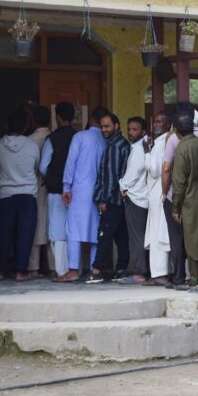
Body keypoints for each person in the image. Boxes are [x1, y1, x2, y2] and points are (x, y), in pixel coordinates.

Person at [162, 101, 198, 288]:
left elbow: (167, 169)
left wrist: (165, 194)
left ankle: (180, 277)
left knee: (178, 240)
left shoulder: (176, 141)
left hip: (180, 197)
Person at [0, 110, 41, 282]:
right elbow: (36, 168)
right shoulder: (32, 145)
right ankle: (20, 271)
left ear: (7, 126)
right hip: (27, 195)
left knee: (3, 233)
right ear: (26, 126)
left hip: (5, 195)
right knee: (25, 234)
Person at [62, 106, 109, 282]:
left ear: (90, 119)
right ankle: (93, 270)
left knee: (74, 230)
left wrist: (66, 187)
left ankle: (73, 270)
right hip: (100, 193)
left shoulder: (80, 137)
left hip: (80, 191)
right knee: (96, 231)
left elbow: (71, 163)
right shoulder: (106, 140)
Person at [84, 113, 130, 284]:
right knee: (121, 236)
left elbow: (111, 178)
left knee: (104, 235)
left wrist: (103, 199)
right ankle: (121, 269)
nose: (104, 130)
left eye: (107, 126)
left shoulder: (115, 147)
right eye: (102, 126)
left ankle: (96, 271)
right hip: (120, 199)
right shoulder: (119, 144)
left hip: (112, 200)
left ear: (116, 126)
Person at [40, 102, 76, 282]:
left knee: (57, 231)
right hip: (77, 192)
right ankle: (74, 267)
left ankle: (62, 270)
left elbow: (43, 166)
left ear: (58, 118)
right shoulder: (79, 137)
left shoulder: (52, 139)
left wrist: (55, 177)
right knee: (74, 230)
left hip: (56, 190)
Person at [117, 117, 150, 285]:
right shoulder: (144, 147)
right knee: (143, 237)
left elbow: (133, 173)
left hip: (136, 198)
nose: (130, 133)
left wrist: (122, 186)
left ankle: (139, 273)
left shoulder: (138, 149)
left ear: (143, 131)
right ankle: (144, 270)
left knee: (137, 238)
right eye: (129, 129)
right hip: (143, 197)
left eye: (135, 129)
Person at [143, 112, 171, 285]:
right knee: (159, 232)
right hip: (158, 192)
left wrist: (146, 151)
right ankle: (159, 272)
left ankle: (160, 273)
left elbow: (154, 170)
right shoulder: (164, 141)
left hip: (158, 192)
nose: (155, 124)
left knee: (158, 233)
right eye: (155, 121)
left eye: (160, 122)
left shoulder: (161, 143)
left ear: (168, 124)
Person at [27, 106, 53, 277]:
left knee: (36, 226)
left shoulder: (29, 141)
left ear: (33, 121)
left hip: (35, 186)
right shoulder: (55, 137)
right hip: (54, 188)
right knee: (53, 226)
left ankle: (33, 267)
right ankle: (54, 266)